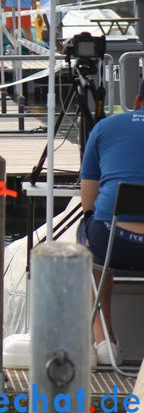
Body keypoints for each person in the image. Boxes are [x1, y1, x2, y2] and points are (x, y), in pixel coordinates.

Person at [78, 79, 144, 366]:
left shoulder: (105, 127)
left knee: (86, 236)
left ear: (138, 101)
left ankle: (105, 340)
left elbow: (88, 201)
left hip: (112, 241)